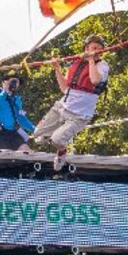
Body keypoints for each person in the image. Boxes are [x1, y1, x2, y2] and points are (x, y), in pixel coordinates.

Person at [35, 35, 110, 171]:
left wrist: (92, 60)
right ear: (86, 48)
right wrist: (57, 68)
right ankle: (47, 134)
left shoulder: (102, 66)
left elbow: (94, 80)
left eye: (100, 49)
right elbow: (65, 88)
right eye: (94, 48)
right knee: (37, 135)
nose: (98, 51)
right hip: (62, 107)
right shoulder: (77, 62)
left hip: (80, 115)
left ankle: (62, 152)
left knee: (57, 140)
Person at [0, 72, 34, 151]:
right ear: (4, 82)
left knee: (27, 152)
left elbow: (21, 118)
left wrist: (35, 130)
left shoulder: (16, 99)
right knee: (6, 155)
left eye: (17, 82)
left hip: (11, 132)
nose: (14, 84)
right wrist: (5, 91)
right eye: (12, 81)